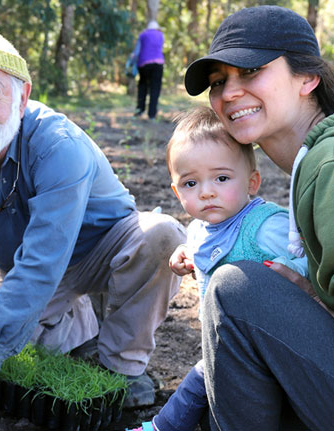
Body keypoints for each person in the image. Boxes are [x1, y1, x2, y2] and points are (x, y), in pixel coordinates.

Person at [0, 18, 185, 423]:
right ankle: (83, 324)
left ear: (22, 96)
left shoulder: (58, 146)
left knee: (163, 234)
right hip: (27, 266)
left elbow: (44, 259)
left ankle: (123, 367)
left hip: (103, 249)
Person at [183, 5, 334, 429]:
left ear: (308, 78)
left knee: (235, 289)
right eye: (219, 82)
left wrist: (312, 311)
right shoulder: (330, 154)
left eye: (250, 71)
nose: (228, 93)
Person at [130, 106, 307, 431]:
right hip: (234, 349)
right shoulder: (201, 227)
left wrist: (285, 270)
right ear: (176, 190)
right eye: (190, 183)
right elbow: (203, 248)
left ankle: (161, 427)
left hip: (279, 344)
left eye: (221, 178)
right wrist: (186, 252)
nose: (206, 191)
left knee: (201, 378)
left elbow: (307, 258)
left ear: (252, 182)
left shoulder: (266, 227)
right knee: (212, 384)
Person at [129, 20, 164, 120]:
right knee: (155, 88)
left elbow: (137, 51)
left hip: (144, 64)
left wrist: (131, 62)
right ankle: (152, 114)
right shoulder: (161, 35)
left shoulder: (142, 35)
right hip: (158, 64)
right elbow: (159, 48)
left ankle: (139, 111)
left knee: (142, 86)